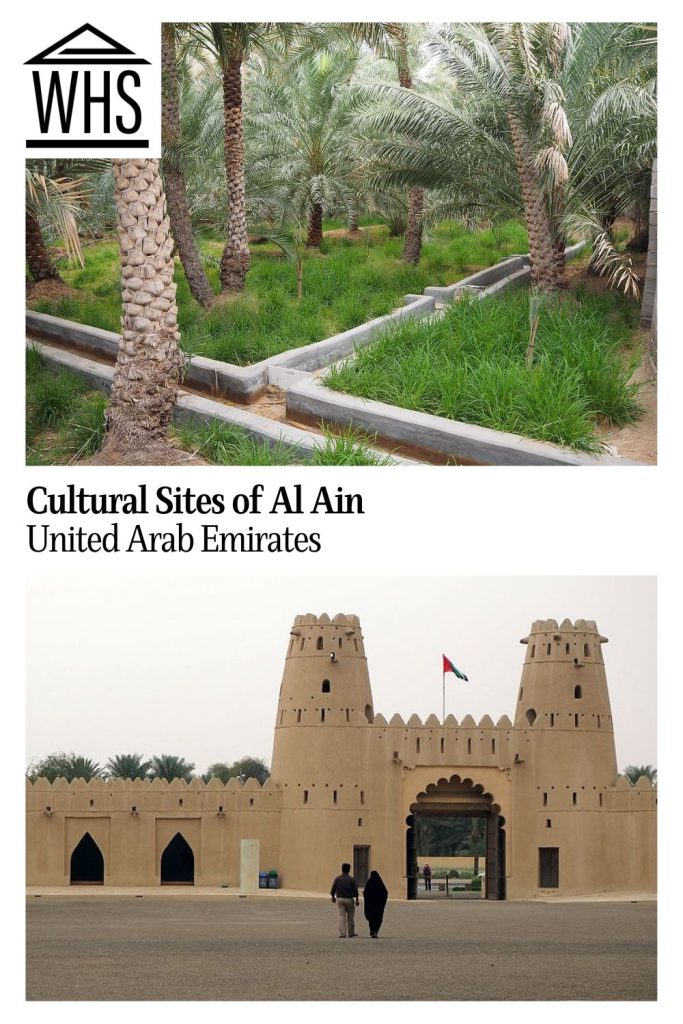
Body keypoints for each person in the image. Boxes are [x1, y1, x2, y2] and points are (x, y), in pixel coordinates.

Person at [330, 863, 359, 937]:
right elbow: (355, 891)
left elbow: (333, 889)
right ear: (349, 870)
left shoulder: (337, 878)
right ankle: (351, 933)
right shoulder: (352, 879)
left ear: (342, 869)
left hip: (340, 899)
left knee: (342, 916)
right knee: (350, 916)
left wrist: (333, 897)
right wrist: (357, 899)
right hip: (349, 899)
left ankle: (343, 933)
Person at [363, 870, 388, 938]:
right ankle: (375, 931)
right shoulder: (380, 884)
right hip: (379, 907)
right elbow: (385, 893)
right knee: (378, 919)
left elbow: (365, 893)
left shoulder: (369, 884)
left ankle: (372, 931)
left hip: (370, 907)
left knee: (371, 920)